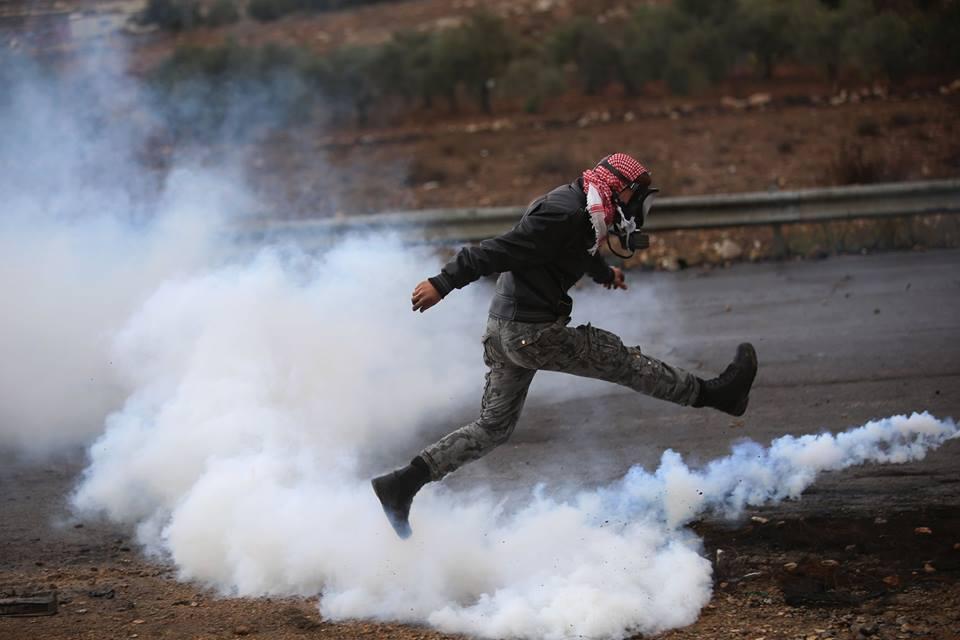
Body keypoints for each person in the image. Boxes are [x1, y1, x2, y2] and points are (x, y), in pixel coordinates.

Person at [372, 152, 757, 539]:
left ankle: (402, 484)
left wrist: (604, 274)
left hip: (505, 330)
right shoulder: (563, 212)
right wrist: (443, 282)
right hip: (532, 333)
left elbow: (572, 249)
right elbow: (498, 249)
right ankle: (716, 394)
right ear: (616, 188)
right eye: (635, 195)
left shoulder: (586, 211)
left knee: (493, 427)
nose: (638, 205)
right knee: (621, 361)